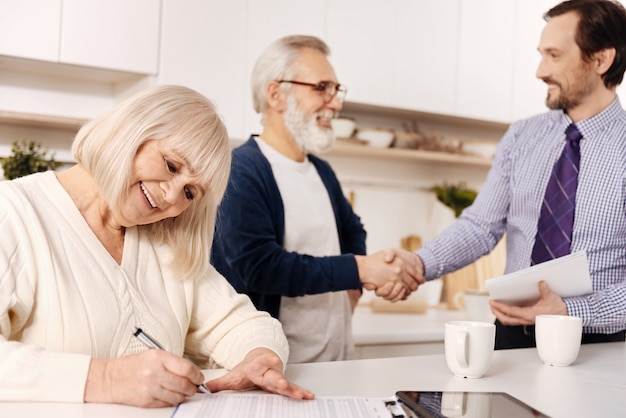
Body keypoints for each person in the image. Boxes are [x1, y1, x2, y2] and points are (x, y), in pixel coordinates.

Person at [0, 85, 315, 407]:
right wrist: (105, 379)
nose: (171, 196)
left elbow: (242, 323)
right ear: (131, 132)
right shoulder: (12, 213)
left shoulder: (162, 240)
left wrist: (259, 357)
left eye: (190, 193)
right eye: (171, 166)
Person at [400, 0, 626, 349]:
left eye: (554, 55)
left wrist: (572, 309)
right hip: (511, 335)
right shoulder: (522, 136)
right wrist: (416, 264)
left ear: (601, 59)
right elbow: (480, 227)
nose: (540, 71)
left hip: (598, 342)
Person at [211, 35, 422, 364]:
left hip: (334, 360)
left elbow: (354, 232)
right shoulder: (241, 170)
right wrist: (361, 269)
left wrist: (356, 284)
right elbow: (260, 266)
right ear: (275, 94)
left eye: (336, 90)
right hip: (277, 367)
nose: (335, 103)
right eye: (321, 88)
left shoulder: (321, 171)